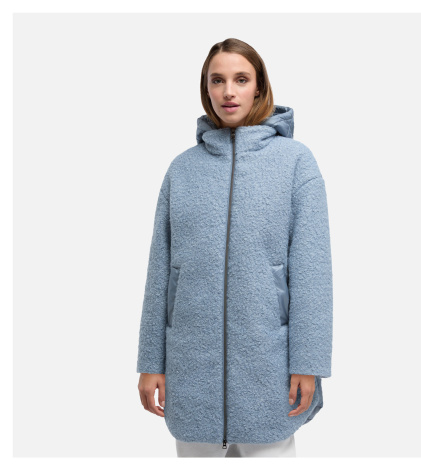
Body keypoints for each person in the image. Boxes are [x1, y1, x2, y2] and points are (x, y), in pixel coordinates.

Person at [137, 38, 333, 458]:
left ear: (259, 87)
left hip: (269, 365)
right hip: (191, 370)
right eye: (218, 80)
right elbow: (160, 272)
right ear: (206, 88)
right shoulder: (181, 170)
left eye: (241, 79)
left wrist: (309, 361)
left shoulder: (296, 163)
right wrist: (151, 361)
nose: (229, 91)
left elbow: (312, 272)